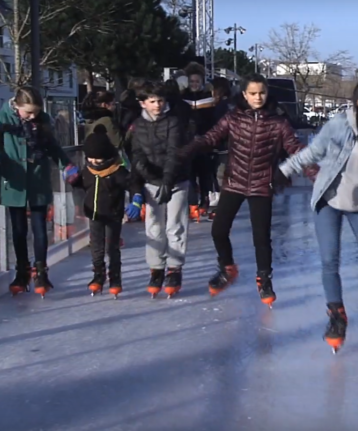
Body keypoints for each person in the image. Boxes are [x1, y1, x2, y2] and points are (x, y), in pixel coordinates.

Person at [277, 77, 358, 352]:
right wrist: (281, 172)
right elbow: (312, 152)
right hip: (329, 200)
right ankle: (337, 316)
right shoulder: (339, 125)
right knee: (330, 260)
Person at [182, 74, 308, 307]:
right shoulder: (233, 118)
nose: (258, 97)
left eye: (261, 93)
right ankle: (227, 267)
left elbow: (295, 147)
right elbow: (211, 137)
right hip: (235, 182)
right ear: (244, 95)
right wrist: (189, 149)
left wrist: (316, 171)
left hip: (262, 183)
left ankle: (264, 278)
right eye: (253, 93)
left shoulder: (277, 122)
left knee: (261, 237)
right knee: (218, 230)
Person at [0, 86, 79, 297]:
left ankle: (41, 271)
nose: (33, 116)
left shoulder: (43, 121)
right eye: (28, 112)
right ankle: (22, 271)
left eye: (36, 112)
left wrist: (66, 165)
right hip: (13, 181)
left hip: (38, 179)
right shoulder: (4, 117)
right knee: (19, 229)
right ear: (17, 106)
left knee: (40, 228)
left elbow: (53, 147)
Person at [131, 81, 192, 298]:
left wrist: (167, 180)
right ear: (143, 103)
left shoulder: (173, 122)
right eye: (152, 101)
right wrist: (148, 176)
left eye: (160, 101)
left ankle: (175, 268)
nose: (157, 105)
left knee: (174, 226)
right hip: (152, 182)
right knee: (154, 226)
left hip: (177, 180)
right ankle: (156, 268)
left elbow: (174, 151)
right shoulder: (138, 125)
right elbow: (136, 154)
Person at [71, 128, 137, 298]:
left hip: (113, 215)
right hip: (94, 214)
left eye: (98, 159)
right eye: (90, 158)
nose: (94, 162)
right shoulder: (88, 171)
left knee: (112, 247)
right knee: (96, 247)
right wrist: (72, 179)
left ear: (107, 157)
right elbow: (82, 184)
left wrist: (136, 199)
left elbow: (132, 184)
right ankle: (98, 275)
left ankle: (115, 278)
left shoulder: (117, 171)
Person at [179, 63, 216, 221]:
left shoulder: (208, 97)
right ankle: (192, 203)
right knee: (190, 173)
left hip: (204, 141)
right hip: (188, 141)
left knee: (205, 173)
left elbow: (213, 120)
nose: (194, 84)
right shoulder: (182, 98)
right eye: (192, 81)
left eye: (197, 81)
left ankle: (205, 200)